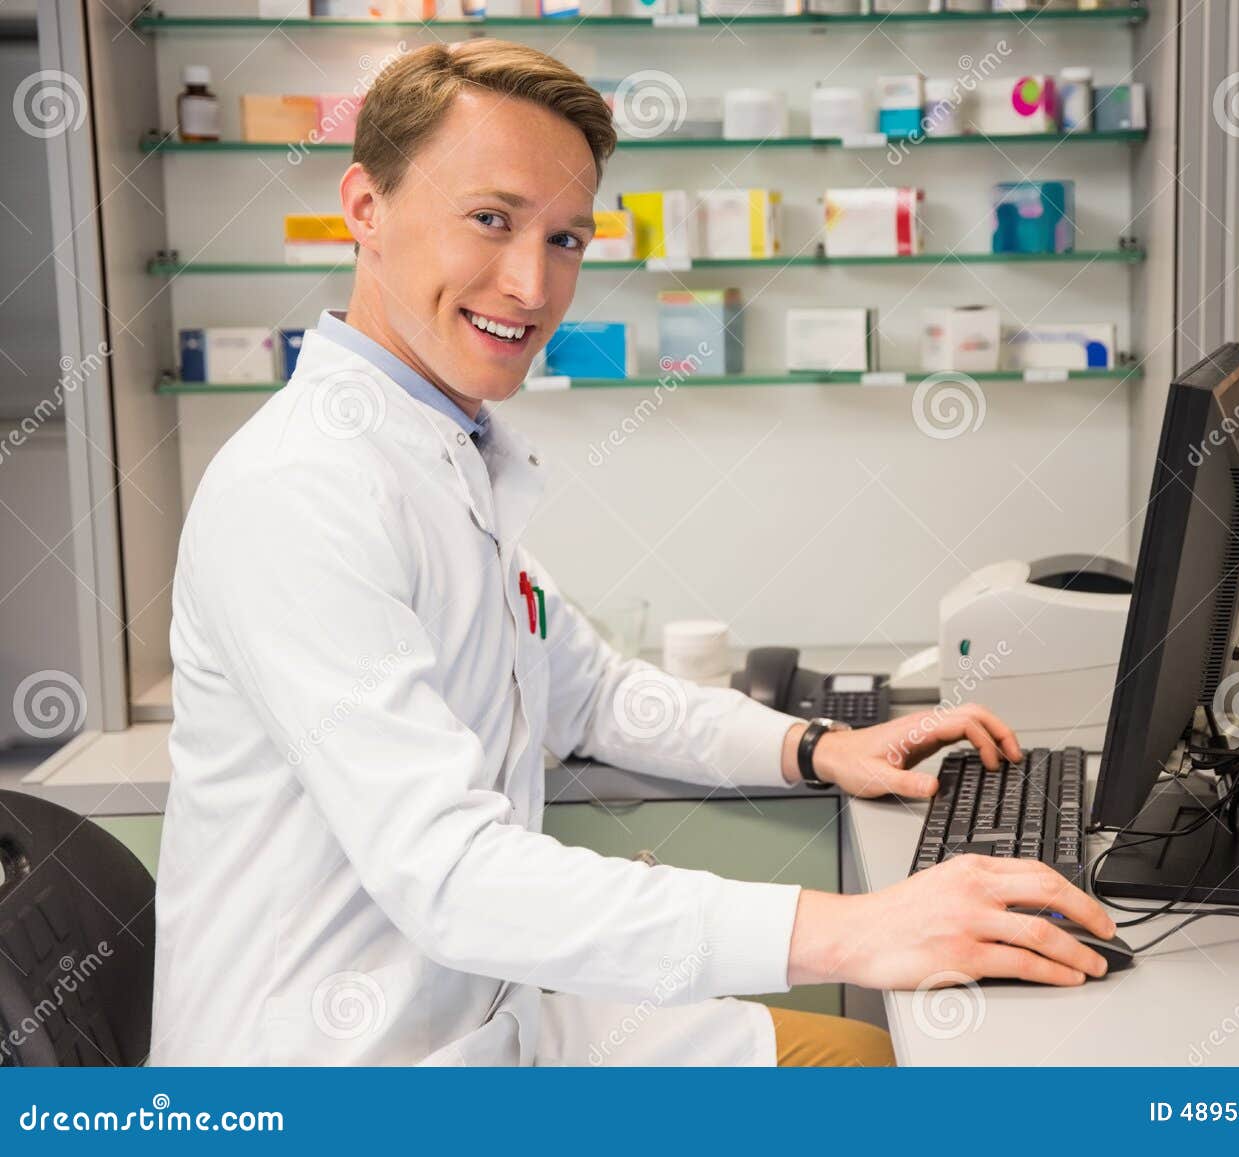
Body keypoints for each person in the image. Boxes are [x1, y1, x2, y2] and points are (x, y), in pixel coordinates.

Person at [151, 39, 1115, 1068]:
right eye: (491, 218)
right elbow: (450, 873)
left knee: (857, 1060)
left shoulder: (446, 450)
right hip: (333, 1072)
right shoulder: (303, 487)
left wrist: (813, 746)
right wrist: (856, 928)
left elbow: (592, 692)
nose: (530, 282)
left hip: (479, 1024)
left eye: (566, 237)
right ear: (365, 206)